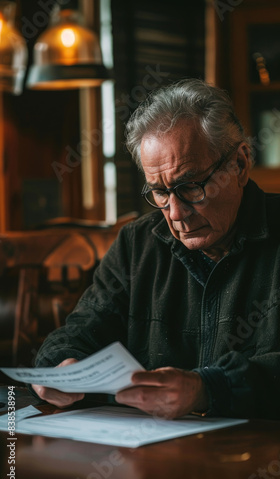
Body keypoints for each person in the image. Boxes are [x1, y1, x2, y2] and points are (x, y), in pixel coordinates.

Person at [32, 78, 280, 420]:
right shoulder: (137, 245)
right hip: (156, 460)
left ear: (240, 164)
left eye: (192, 186)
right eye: (160, 193)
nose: (176, 214)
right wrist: (61, 367)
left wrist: (207, 389)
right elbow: (79, 332)